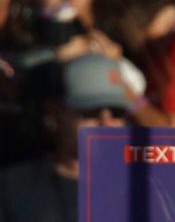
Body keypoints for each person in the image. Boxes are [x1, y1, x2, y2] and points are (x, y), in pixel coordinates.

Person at [0, 53, 131, 222]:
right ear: (54, 112)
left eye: (116, 113)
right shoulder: (13, 189)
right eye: (90, 112)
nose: (106, 124)